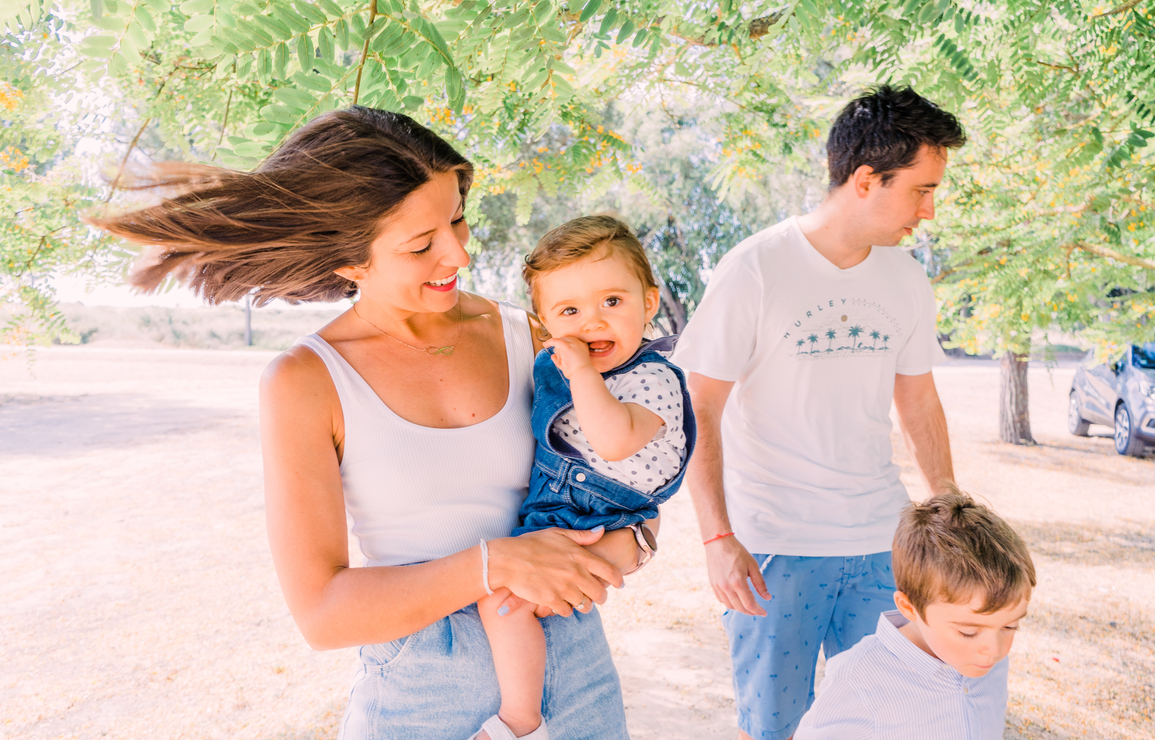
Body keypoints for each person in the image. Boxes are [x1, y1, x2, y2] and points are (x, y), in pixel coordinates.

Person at [89, 107, 643, 739]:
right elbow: (322, 614)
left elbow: (631, 463)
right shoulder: (307, 382)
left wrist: (634, 541)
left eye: (457, 216)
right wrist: (498, 564)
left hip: (574, 672)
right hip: (423, 697)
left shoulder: (535, 334)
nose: (458, 251)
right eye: (420, 244)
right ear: (350, 262)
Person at [672, 84, 966, 740]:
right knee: (774, 728)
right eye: (922, 189)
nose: (931, 210)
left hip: (880, 547)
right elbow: (701, 409)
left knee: (887, 722)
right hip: (776, 549)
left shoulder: (905, 279)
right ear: (867, 179)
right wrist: (718, 539)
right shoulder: (756, 268)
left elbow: (916, 396)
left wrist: (947, 502)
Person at [475, 216, 696, 740]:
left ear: (648, 304)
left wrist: (580, 374)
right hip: (562, 510)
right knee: (515, 602)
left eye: (612, 302)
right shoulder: (563, 367)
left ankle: (519, 718)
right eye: (570, 311)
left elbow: (614, 439)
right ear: (547, 326)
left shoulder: (652, 378)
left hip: (600, 514)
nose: (593, 322)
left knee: (503, 601)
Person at [795, 491, 1036, 739]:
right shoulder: (859, 680)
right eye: (969, 632)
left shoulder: (988, 663)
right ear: (909, 607)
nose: (994, 650)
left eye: (1010, 627)